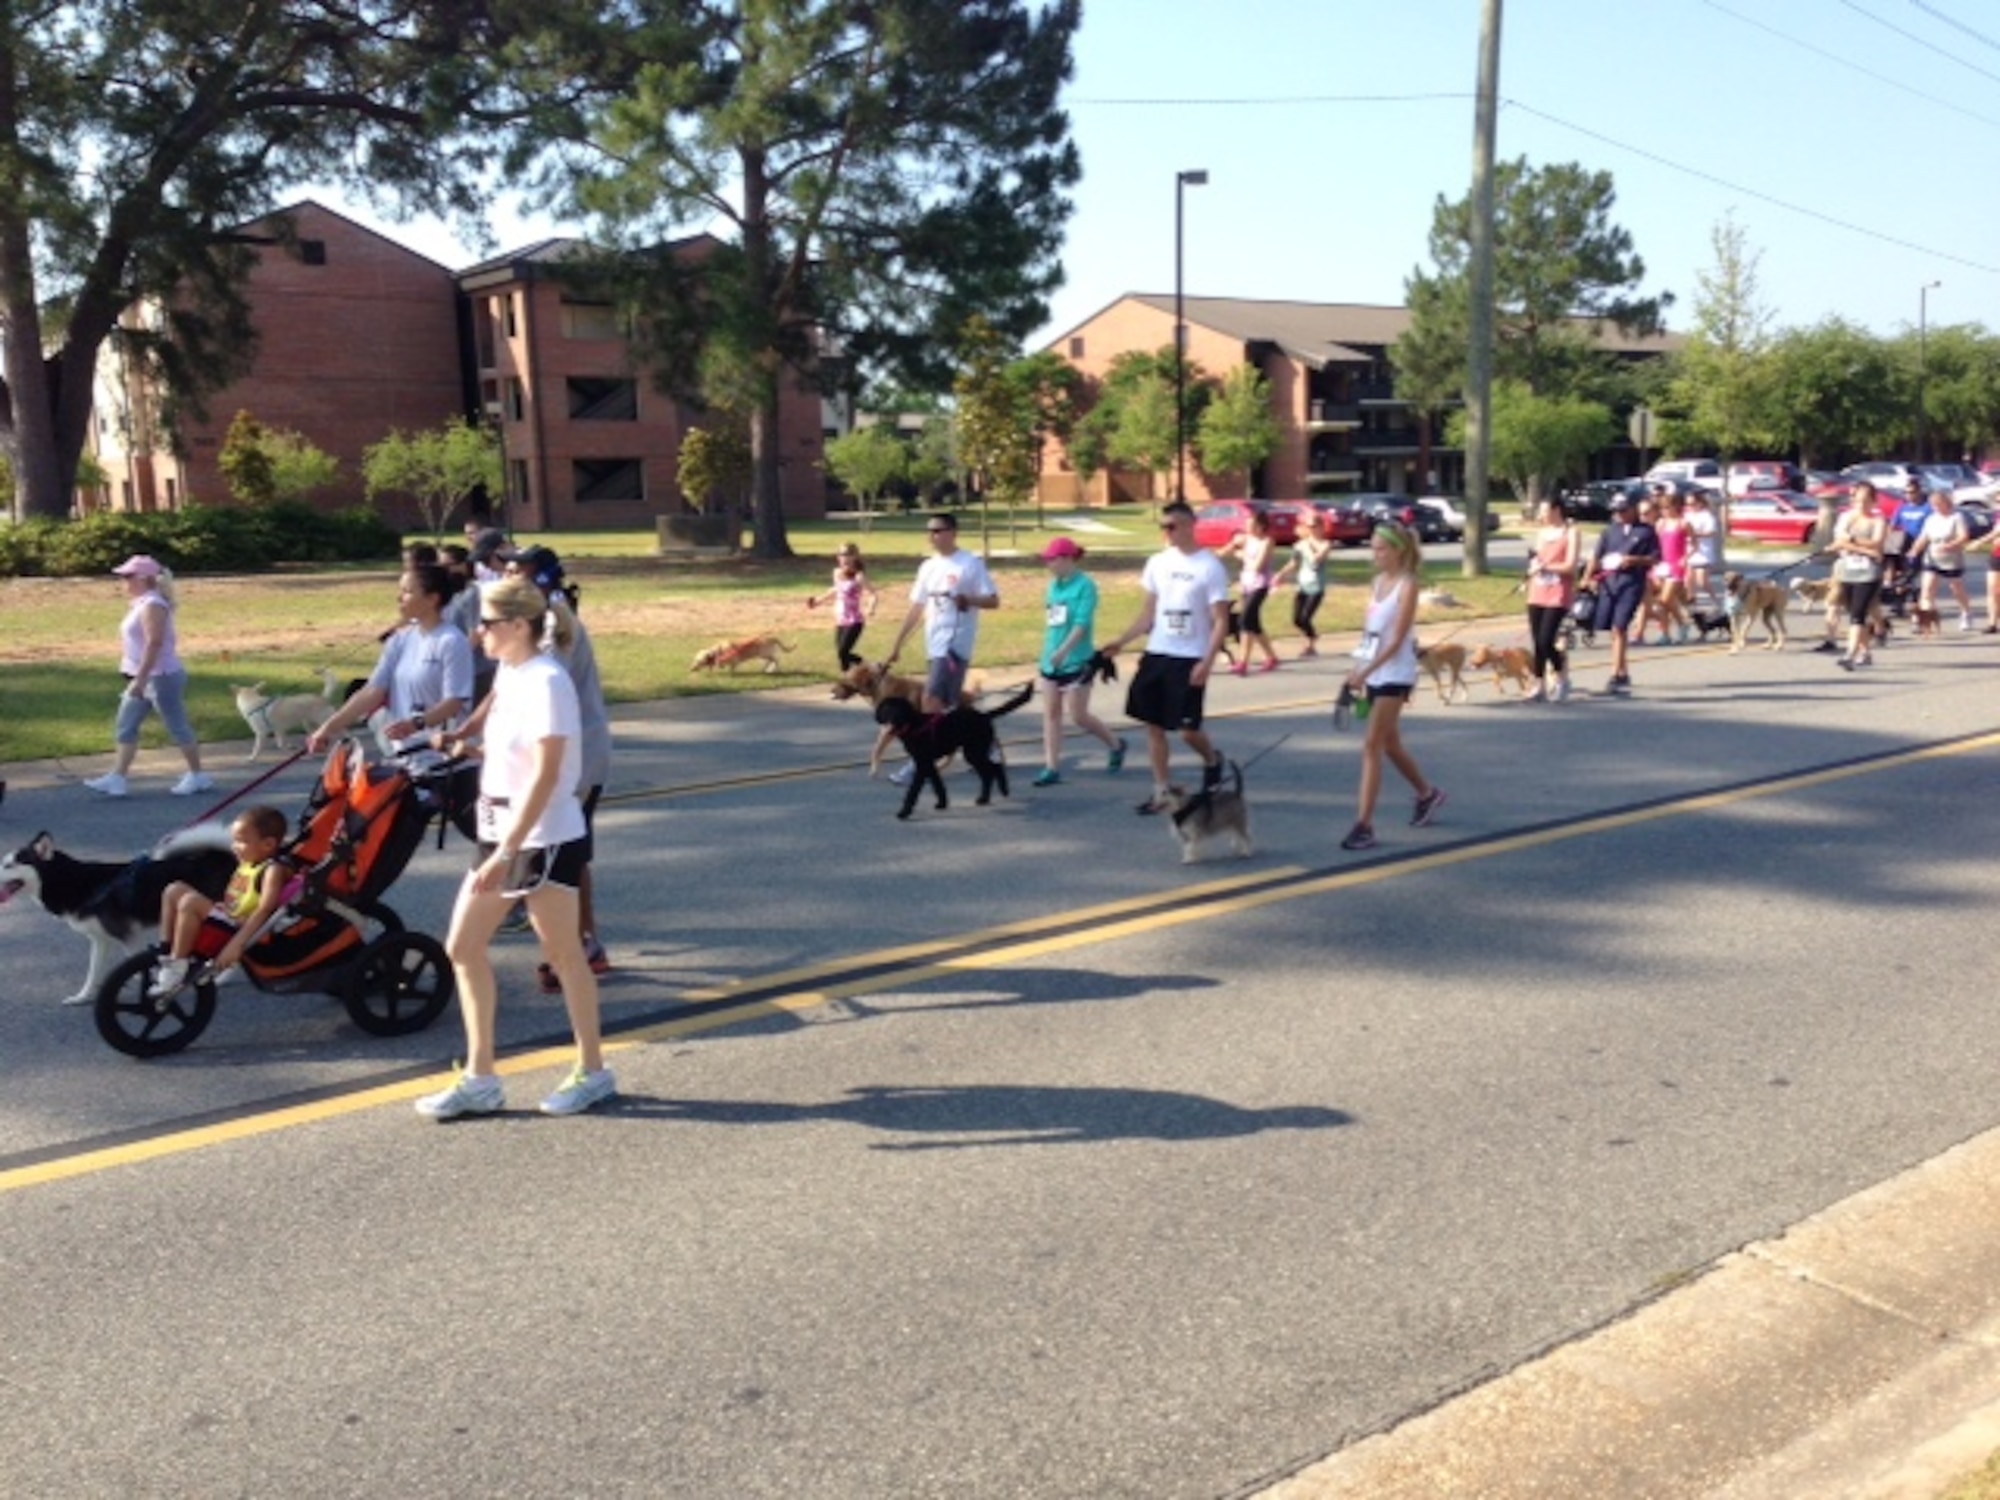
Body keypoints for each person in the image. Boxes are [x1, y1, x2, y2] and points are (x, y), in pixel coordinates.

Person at [419, 574, 614, 1120]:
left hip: (542, 836)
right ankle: (481, 1077)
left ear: (519, 625)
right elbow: (501, 723)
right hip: (500, 831)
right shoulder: (512, 670)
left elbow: (549, 773)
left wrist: (508, 851)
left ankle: (592, 1070)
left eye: (486, 622)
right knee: (462, 947)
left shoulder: (549, 681)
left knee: (562, 954)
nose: (477, 631)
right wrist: (464, 737)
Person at [499, 546, 615, 990]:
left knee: (569, 851)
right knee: (549, 844)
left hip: (578, 757)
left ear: (544, 581)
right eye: (505, 570)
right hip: (549, 754)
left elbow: (541, 688)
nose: (508, 578)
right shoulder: (524, 624)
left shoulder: (553, 625)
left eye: (519, 573)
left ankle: (585, 943)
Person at [1103, 500, 1232, 815]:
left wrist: (1207, 661)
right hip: (1159, 652)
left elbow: (1221, 621)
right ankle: (1161, 791)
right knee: (1154, 726)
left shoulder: (1209, 566)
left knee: (1188, 730)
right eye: (1164, 526)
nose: (1167, 532)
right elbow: (1149, 613)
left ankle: (1212, 760)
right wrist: (1121, 641)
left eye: (1172, 526)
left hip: (1190, 656)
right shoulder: (1157, 563)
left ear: (1190, 526)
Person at [1339, 522, 1445, 852]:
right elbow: (1371, 634)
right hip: (1374, 673)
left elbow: (1397, 639)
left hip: (1396, 674)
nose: (1376, 554)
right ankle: (1428, 794)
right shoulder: (1377, 583)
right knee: (1390, 744)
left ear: (1398, 550)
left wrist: (1367, 669)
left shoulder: (1407, 585)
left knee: (1372, 745)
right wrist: (1357, 669)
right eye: (1373, 548)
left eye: (1381, 548)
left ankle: (1364, 825)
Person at [308, 562, 475, 756]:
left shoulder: (452, 641)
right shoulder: (399, 640)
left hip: (444, 759)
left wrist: (416, 724)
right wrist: (327, 729)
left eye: (407, 592)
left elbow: (454, 702)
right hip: (404, 755)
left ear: (432, 599)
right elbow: (372, 691)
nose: (399, 598)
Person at [84, 554, 214, 798]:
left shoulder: (154, 605)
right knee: (126, 726)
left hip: (160, 676)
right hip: (143, 676)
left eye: (127, 577)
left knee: (177, 726)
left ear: (143, 579)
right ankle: (117, 778)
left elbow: (154, 643)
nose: (123, 582)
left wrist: (141, 680)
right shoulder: (142, 602)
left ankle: (198, 776)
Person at [147, 805, 291, 997]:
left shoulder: (272, 870)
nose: (234, 847)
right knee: (173, 889)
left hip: (238, 928)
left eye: (242, 842)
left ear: (268, 844)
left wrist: (236, 945)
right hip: (228, 916)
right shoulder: (248, 862)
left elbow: (264, 910)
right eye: (235, 841)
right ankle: (167, 951)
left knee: (190, 901)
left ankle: (178, 966)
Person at [1033, 536, 1126, 787]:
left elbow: (1081, 625)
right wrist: (1051, 654)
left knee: (1078, 715)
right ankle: (1051, 767)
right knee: (1051, 713)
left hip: (1077, 661)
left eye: (1052, 559)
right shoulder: (1053, 587)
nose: (1048, 564)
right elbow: (1053, 622)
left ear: (1066, 559)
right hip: (1051, 660)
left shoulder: (1086, 586)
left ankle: (1116, 744)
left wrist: (1064, 651)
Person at [884, 512, 999, 712]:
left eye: (937, 531)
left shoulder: (970, 563)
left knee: (931, 699)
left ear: (953, 533)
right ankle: (969, 740)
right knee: (948, 704)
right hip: (934, 642)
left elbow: (993, 600)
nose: (931, 536)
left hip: (955, 644)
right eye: (929, 531)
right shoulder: (928, 566)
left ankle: (938, 742)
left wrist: (968, 599)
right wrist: (897, 644)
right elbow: (916, 607)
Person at [1585, 494, 1661, 696]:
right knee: (1612, 629)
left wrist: (1635, 560)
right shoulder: (1610, 531)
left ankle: (1616, 674)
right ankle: (1623, 670)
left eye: (1623, 510)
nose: (1619, 515)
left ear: (1633, 509)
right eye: (1616, 511)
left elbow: (1655, 559)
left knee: (1620, 627)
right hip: (1610, 583)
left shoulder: (1646, 531)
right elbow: (1596, 557)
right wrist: (1588, 577)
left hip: (1631, 583)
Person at [1524, 497, 1580, 702]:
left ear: (1557, 510)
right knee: (1537, 641)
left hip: (1558, 592)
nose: (1542, 515)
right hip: (1537, 590)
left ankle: (1561, 677)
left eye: (1545, 510)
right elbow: (1537, 559)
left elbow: (1571, 566)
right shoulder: (1542, 533)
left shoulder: (1571, 532)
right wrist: (1532, 568)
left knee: (1546, 640)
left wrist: (1547, 567)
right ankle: (1538, 683)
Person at [1829, 479, 1887, 671]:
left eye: (1866, 500)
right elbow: (1839, 541)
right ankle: (1865, 652)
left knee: (1858, 614)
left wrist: (1854, 541)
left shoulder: (1878, 520)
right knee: (1853, 613)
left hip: (1868, 573)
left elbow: (1877, 542)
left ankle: (1849, 655)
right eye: (1857, 500)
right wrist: (1865, 549)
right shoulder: (1846, 518)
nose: (1861, 504)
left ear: (1873, 501)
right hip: (1847, 570)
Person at [1217, 509, 1282, 673]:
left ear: (1260, 526)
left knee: (1244, 621)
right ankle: (1272, 657)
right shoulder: (1246, 538)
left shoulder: (1267, 541)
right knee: (1253, 623)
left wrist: (1241, 555)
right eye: (1246, 525)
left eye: (1251, 525)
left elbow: (1259, 566)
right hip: (1247, 584)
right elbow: (1225, 550)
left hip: (1260, 585)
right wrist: (1223, 552)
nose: (1248, 527)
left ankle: (1242, 662)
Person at [807, 542, 880, 670]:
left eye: (847, 554)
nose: (844, 557)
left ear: (855, 556)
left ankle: (871, 667)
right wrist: (818, 601)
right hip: (841, 620)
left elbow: (873, 594)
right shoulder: (837, 573)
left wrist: (871, 608)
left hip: (855, 621)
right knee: (842, 657)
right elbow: (835, 590)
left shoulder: (859, 576)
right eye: (841, 554)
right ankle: (849, 680)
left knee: (843, 651)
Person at [1911, 487, 1975, 630]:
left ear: (1946, 503)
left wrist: (1951, 545)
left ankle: (1966, 612)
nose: (1937, 508)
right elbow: (1924, 537)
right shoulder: (1931, 519)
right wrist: (1915, 549)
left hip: (1951, 558)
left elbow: (1963, 536)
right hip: (1932, 556)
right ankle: (1924, 619)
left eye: (1939, 504)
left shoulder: (1956, 517)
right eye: (1934, 505)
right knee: (1927, 589)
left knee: (1956, 588)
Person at [1274, 509, 1334, 658]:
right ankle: (1312, 637)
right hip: (1303, 585)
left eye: (1314, 526)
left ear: (1321, 527)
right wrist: (1281, 574)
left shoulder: (1325, 544)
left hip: (1317, 586)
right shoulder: (1300, 545)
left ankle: (1310, 645)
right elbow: (1293, 563)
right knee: (1297, 619)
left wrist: (1306, 544)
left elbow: (1316, 560)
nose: (1311, 529)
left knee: (1306, 617)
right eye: (1309, 526)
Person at [1643, 489, 1693, 645]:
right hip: (1662, 564)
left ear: (1676, 507)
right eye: (1663, 508)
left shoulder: (1683, 523)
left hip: (1676, 565)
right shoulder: (1660, 523)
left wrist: (1686, 557)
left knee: (1665, 600)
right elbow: (1656, 545)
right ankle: (1668, 631)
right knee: (1661, 602)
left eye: (1668, 507)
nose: (1665, 511)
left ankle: (1681, 624)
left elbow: (1693, 544)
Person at [1685, 489, 1723, 609]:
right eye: (1688, 504)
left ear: (1700, 503)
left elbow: (1712, 532)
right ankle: (1691, 603)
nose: (1690, 507)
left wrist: (1696, 535)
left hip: (1703, 552)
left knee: (1702, 581)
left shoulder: (1707, 516)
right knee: (1688, 580)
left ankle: (1716, 601)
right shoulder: (1687, 515)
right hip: (1690, 550)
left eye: (1692, 504)